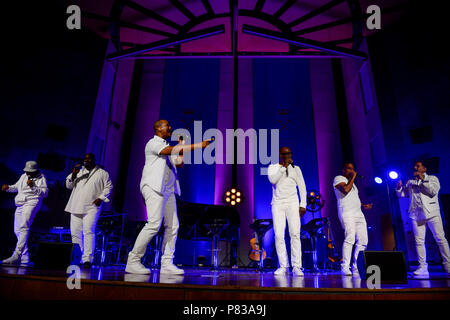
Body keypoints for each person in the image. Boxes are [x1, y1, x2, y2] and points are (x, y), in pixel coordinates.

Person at [125, 119, 211, 274]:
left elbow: (178, 163)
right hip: (153, 187)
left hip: (168, 190)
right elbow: (169, 151)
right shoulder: (153, 143)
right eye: (167, 126)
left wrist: (181, 148)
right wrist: (199, 145)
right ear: (158, 128)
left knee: (173, 226)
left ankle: (166, 263)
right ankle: (133, 260)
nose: (170, 127)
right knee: (153, 225)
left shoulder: (167, 146)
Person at [396, 160, 450, 277]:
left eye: (418, 166)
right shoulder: (410, 182)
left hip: (432, 213)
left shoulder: (432, 179)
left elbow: (432, 191)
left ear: (424, 169)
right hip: (416, 215)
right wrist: (399, 188)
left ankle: (448, 265)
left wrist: (422, 180)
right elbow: (403, 195)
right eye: (414, 166)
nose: (415, 167)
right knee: (419, 241)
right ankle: (422, 267)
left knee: (440, 239)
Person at [65, 153, 112, 268]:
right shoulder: (78, 172)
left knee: (88, 231)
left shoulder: (102, 173)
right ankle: (77, 257)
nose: (86, 161)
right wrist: (73, 175)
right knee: (75, 233)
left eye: (89, 159)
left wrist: (101, 198)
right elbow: (68, 186)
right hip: (75, 205)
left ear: (94, 160)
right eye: (85, 159)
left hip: (91, 207)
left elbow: (109, 187)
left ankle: (87, 259)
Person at [268, 147, 307, 276]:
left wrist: (303, 205)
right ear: (280, 155)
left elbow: (302, 186)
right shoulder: (273, 167)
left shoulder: (297, 169)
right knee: (279, 235)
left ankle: (297, 266)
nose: (287, 156)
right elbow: (273, 180)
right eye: (284, 154)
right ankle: (283, 266)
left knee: (295, 233)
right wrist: (284, 167)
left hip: (293, 203)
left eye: (289, 153)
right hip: (278, 204)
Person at [1, 161, 48, 265]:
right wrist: (8, 188)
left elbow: (45, 193)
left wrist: (33, 186)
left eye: (29, 172)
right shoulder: (23, 176)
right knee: (17, 230)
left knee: (24, 227)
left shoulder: (41, 178)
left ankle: (17, 254)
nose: (27, 173)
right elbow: (16, 187)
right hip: (20, 203)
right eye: (26, 171)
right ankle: (25, 256)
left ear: (35, 171)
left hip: (32, 202)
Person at [333, 162, 372, 276]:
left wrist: (363, 205)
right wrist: (353, 177)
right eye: (349, 169)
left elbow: (353, 198)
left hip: (358, 213)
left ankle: (356, 266)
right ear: (343, 170)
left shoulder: (353, 185)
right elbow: (345, 190)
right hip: (347, 212)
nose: (352, 171)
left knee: (363, 240)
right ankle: (345, 266)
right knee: (350, 237)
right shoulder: (338, 178)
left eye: (353, 169)